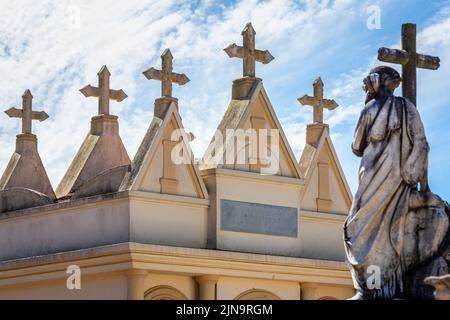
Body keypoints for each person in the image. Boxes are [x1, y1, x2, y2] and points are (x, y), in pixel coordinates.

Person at [344, 66, 448, 299]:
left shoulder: (371, 108)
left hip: (375, 177)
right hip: (397, 178)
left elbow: (356, 146)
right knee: (375, 225)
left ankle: (372, 289)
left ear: (374, 82)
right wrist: (412, 174)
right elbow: (421, 143)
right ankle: (374, 287)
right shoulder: (407, 108)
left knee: (359, 228)